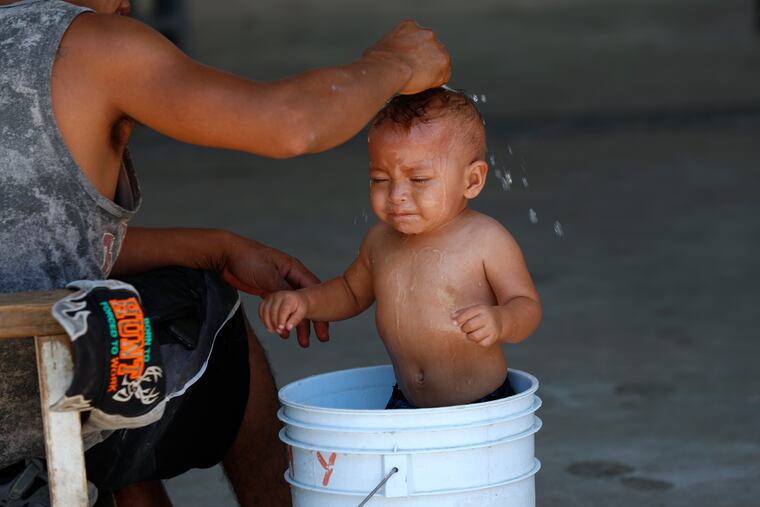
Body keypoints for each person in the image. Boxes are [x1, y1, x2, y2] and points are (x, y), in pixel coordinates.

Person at [0, 0, 450, 505]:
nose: (126, 2)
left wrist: (217, 248)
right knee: (203, 315)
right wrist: (395, 62)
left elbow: (37, 245)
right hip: (21, 402)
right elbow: (289, 123)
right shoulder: (89, 44)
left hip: (17, 340)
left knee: (123, 338)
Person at [260, 88, 541, 409]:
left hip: (480, 405)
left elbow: (526, 306)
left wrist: (501, 320)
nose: (397, 195)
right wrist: (304, 302)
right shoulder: (380, 240)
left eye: (419, 179)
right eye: (380, 179)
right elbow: (351, 293)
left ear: (472, 181)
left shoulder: (485, 240)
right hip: (406, 401)